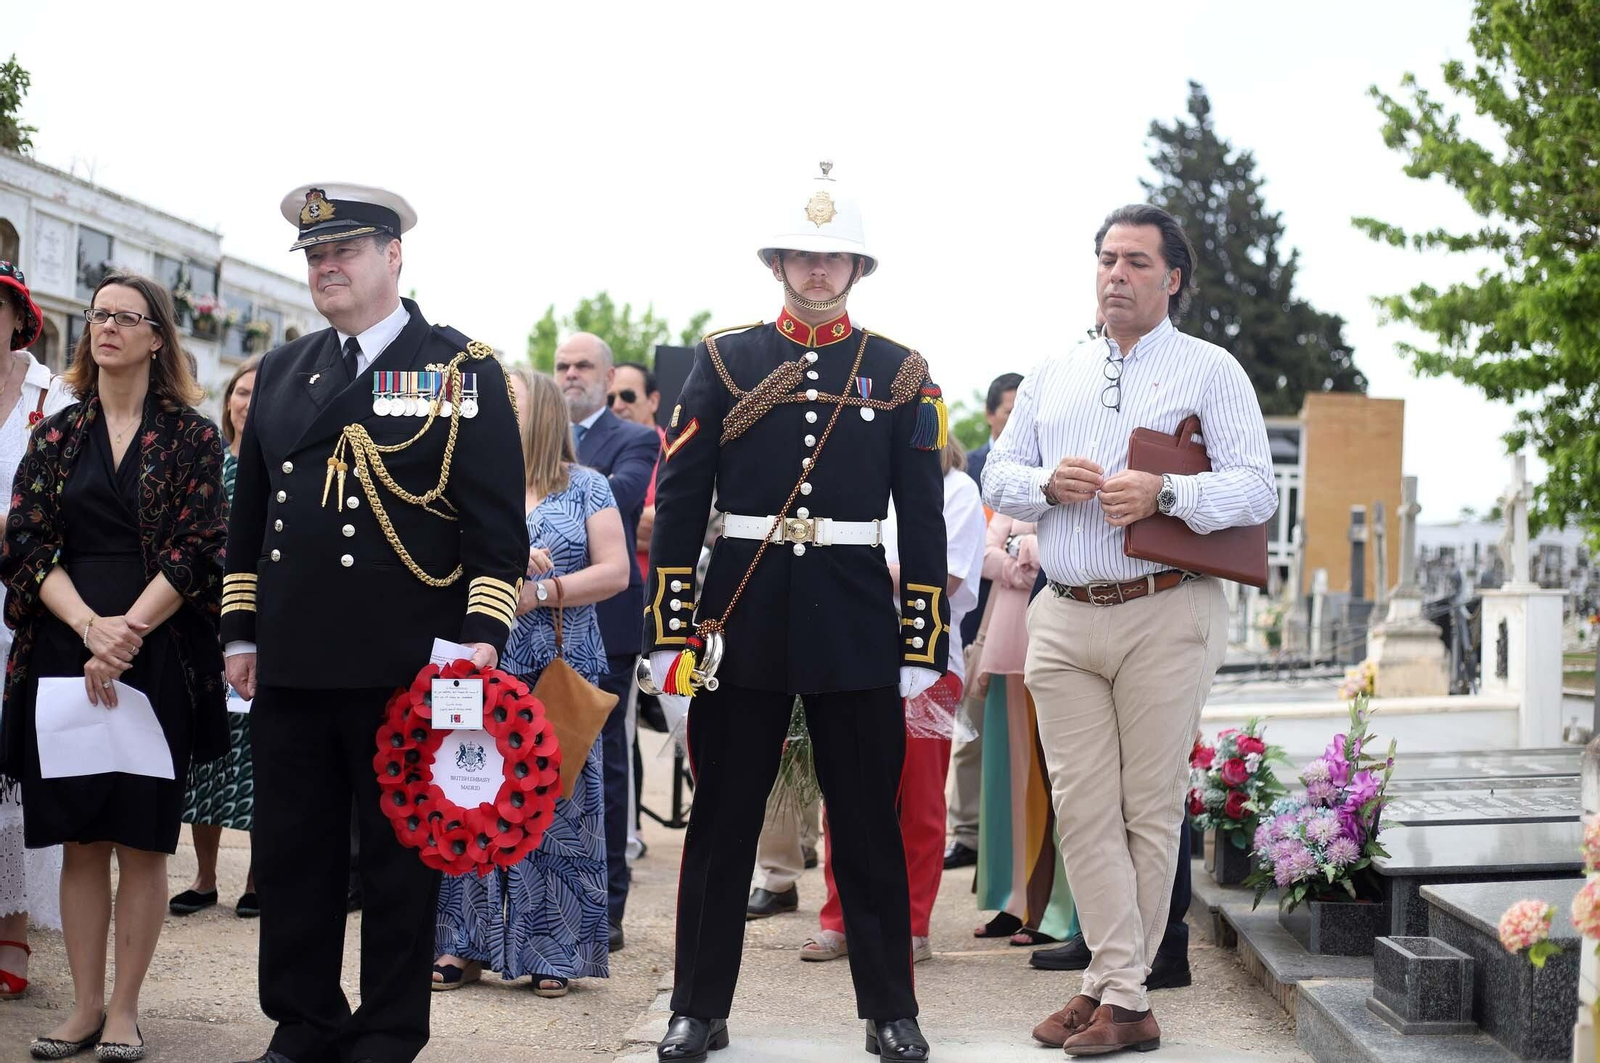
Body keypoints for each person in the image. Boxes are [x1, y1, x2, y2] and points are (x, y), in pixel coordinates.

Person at [642, 161, 947, 1063]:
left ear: (858, 266)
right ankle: (697, 1006)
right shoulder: (725, 360)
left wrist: (921, 638)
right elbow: (681, 496)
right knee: (723, 820)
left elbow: (920, 519)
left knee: (866, 825)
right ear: (778, 261)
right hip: (743, 615)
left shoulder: (900, 371)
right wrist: (672, 632)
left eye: (836, 257)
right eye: (805, 257)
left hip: (854, 617)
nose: (819, 272)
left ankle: (891, 1009)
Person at [222, 184, 525, 1063]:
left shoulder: (461, 368)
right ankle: (303, 1019)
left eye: (345, 250)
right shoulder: (284, 371)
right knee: (294, 857)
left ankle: (389, 1028)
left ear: (394, 256)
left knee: (399, 864)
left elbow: (494, 530)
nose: (326, 267)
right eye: (315, 255)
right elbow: (251, 524)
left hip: (409, 662)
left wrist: (482, 637)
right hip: (293, 660)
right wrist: (240, 633)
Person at [984, 203, 1275, 1055]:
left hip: (1166, 604)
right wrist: (1047, 481)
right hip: (1064, 612)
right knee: (1080, 808)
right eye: (1107, 258)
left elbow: (1256, 488)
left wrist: (1167, 493)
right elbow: (998, 475)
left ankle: (1116, 993)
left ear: (1172, 278)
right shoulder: (1054, 370)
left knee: (1147, 811)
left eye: (1137, 262)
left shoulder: (1212, 369)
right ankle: (1120, 992)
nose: (1117, 273)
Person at [1, 271, 229, 1061]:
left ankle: (126, 1010)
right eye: (98, 315)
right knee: (78, 838)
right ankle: (85, 1007)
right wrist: (91, 626)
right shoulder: (57, 433)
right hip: (67, 647)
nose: (106, 328)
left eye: (126, 317)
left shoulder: (195, 437)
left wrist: (128, 630)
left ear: (157, 336)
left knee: (141, 837)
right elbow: (24, 542)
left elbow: (201, 547)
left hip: (155, 651)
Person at [433, 367, 629, 997]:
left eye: (506, 398)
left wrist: (541, 592)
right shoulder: (469, 483)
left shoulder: (587, 487)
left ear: (539, 411)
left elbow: (617, 572)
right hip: (477, 665)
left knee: (557, 811)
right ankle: (462, 946)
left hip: (556, 670)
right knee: (469, 798)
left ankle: (555, 951)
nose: (490, 406)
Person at [801, 436, 984, 966]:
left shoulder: (957, 490)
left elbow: (943, 580)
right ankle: (839, 920)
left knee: (921, 800)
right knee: (845, 796)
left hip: (929, 666)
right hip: (852, 657)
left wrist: (854, 566)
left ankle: (910, 925)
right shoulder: (859, 487)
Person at [559, 333, 658, 950]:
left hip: (606, 627)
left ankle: (608, 904)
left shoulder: (635, 438)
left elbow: (619, 501)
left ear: (609, 374)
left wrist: (551, 481)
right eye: (562, 366)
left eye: (583, 365)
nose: (571, 375)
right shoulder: (532, 441)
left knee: (604, 764)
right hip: (530, 630)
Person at [0, 261, 71, 1002]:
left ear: (19, 315)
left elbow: (71, 504)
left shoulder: (57, 397)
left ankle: (13, 923)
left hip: (25, 602)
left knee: (11, 766)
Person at [172, 355, 261, 921]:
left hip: (258, 626)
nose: (247, 403)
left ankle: (256, 882)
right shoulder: (208, 464)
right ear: (226, 400)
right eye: (241, 393)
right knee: (206, 757)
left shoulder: (279, 469)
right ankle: (204, 878)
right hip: (202, 625)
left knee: (254, 762)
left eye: (258, 394)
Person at [970, 513, 1077, 947]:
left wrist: (1019, 548)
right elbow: (984, 555)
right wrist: (1021, 554)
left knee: (1056, 787)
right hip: (1006, 649)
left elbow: (1053, 553)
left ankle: (1055, 909)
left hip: (1055, 650)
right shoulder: (1018, 497)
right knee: (1007, 789)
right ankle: (1014, 902)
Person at [945, 371, 1021, 871]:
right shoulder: (965, 471)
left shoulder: (1040, 466)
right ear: (992, 414)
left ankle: (1010, 843)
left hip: (1023, 617)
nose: (1017, 420)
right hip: (970, 623)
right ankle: (968, 833)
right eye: (1010, 411)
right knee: (967, 736)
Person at [605, 360, 665, 861]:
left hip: (675, 608)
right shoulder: (593, 446)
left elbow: (662, 522)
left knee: (693, 730)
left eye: (628, 396)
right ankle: (626, 835)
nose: (619, 406)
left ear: (653, 401)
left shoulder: (668, 446)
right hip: (618, 606)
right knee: (620, 732)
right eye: (614, 399)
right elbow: (633, 519)